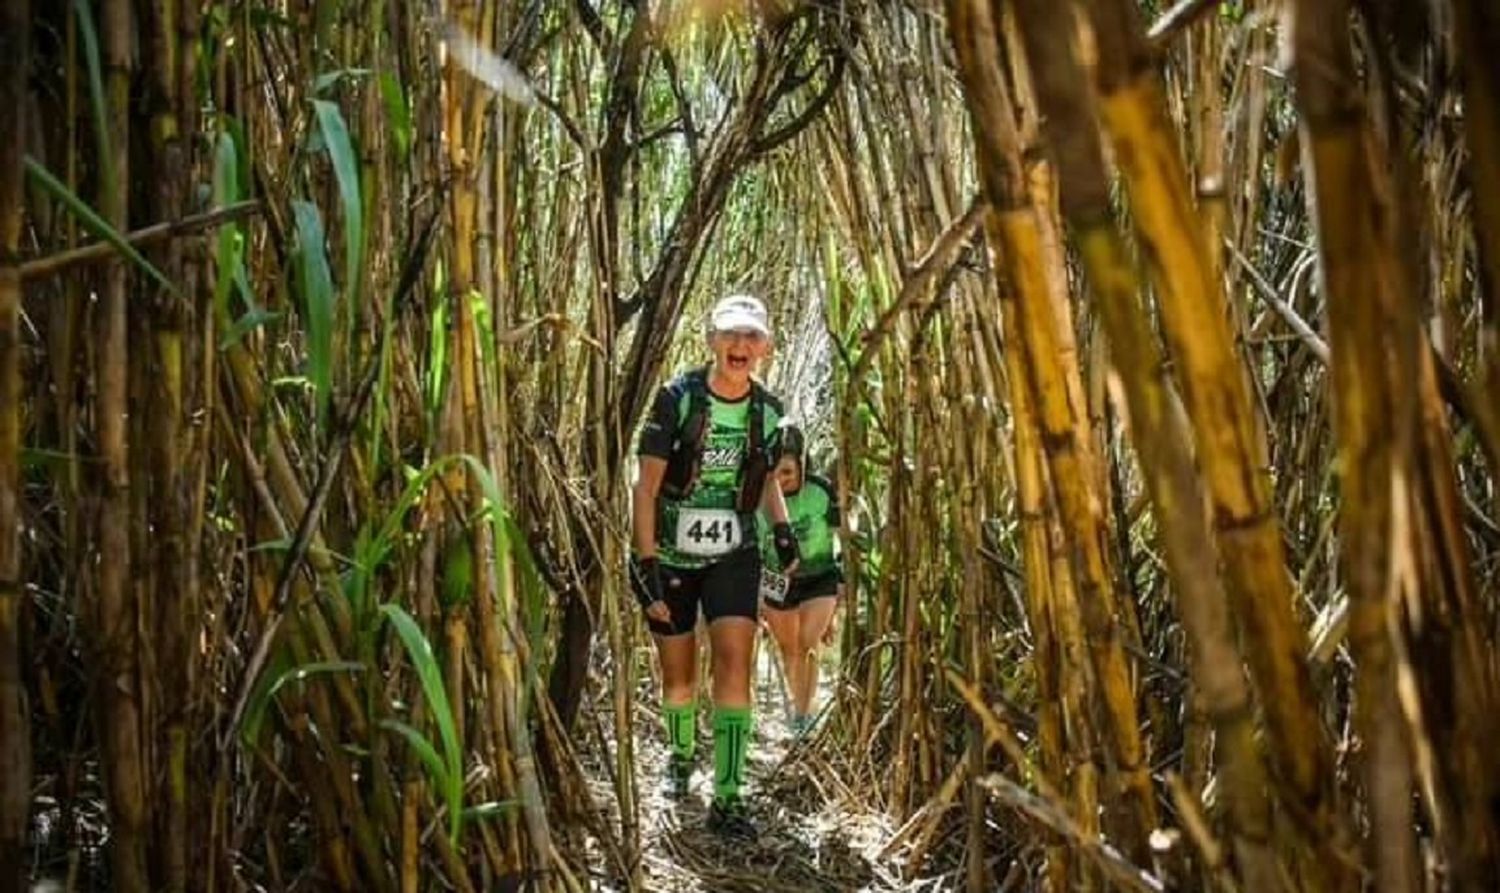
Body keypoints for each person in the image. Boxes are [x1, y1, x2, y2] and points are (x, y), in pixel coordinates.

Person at [629, 293, 800, 838]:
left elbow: (767, 476)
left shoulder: (769, 412)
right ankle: (681, 758)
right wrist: (644, 560)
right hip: (674, 557)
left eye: (752, 337)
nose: (741, 345)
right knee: (679, 679)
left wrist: (781, 528)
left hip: (735, 553)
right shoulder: (677, 400)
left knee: (734, 664)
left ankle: (728, 795)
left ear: (766, 348)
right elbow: (646, 486)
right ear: (711, 340)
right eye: (731, 334)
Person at [759, 424, 842, 737]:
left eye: (789, 473)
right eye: (776, 474)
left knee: (807, 643)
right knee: (788, 648)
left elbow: (839, 538)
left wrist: (841, 588)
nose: (782, 482)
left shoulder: (821, 491)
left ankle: (804, 716)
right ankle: (799, 707)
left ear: (803, 465)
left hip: (819, 577)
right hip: (776, 582)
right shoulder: (757, 497)